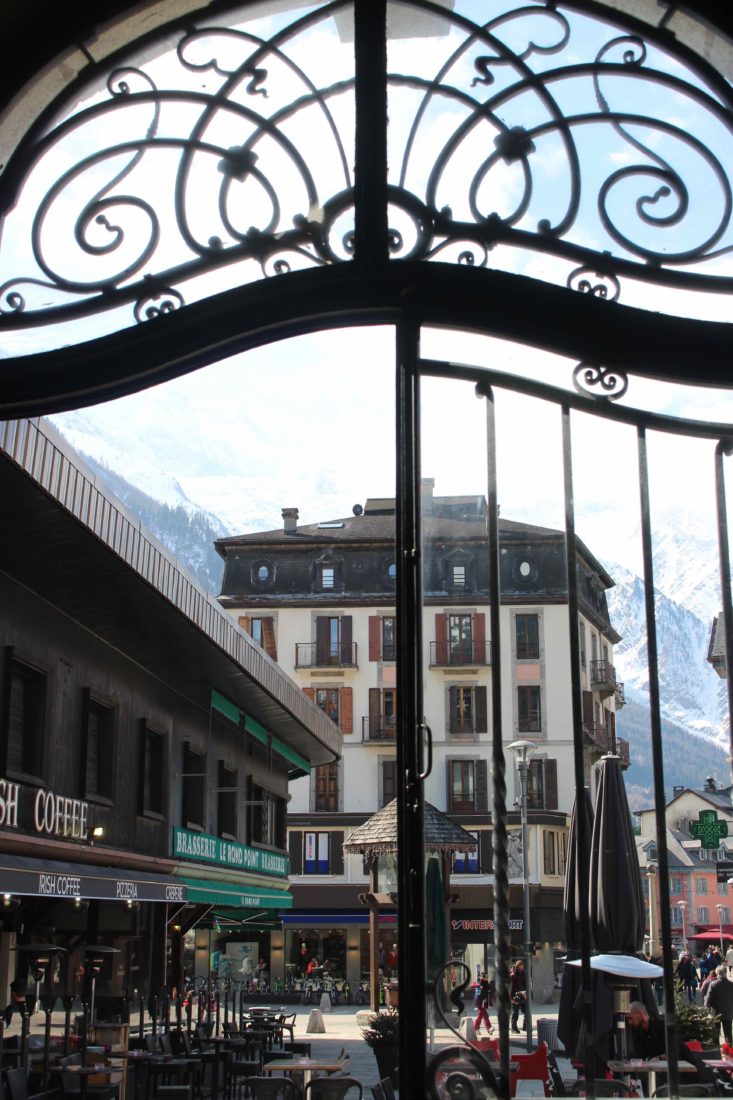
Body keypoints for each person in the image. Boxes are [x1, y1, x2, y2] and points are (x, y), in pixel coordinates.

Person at [705, 964, 733, 1043]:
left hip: (716, 1012)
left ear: (717, 973)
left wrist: (707, 1009)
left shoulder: (713, 984)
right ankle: (729, 1050)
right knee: (728, 1033)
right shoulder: (731, 984)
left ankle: (716, 1049)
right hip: (728, 1011)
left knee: (715, 1032)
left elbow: (708, 999)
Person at [509, 959, 526, 1034]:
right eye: (520, 965)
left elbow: (525, 984)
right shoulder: (513, 975)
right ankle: (514, 1028)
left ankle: (526, 1026)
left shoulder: (523, 973)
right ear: (517, 966)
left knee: (526, 1011)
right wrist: (511, 998)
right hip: (516, 995)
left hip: (523, 994)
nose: (522, 967)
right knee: (515, 1012)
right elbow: (510, 988)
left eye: (522, 965)